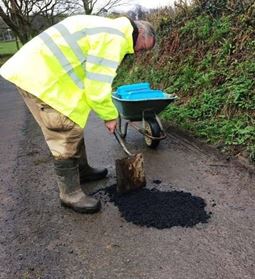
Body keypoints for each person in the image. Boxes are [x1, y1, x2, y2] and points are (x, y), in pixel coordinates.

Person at [0, 15, 156, 214]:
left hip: (44, 72)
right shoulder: (114, 39)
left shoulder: (109, 29)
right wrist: (109, 116)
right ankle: (70, 193)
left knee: (74, 120)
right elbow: (96, 87)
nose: (137, 53)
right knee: (64, 129)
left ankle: (82, 170)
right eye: (142, 48)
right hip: (40, 79)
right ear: (140, 33)